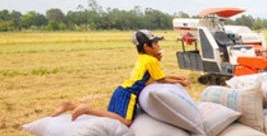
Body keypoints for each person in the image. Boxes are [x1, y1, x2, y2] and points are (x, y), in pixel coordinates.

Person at [52, 29, 190, 126]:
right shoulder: (151, 61)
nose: (159, 46)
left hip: (121, 90)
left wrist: (177, 78)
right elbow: (161, 80)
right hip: (129, 95)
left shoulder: (143, 58)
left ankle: (71, 106)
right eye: (155, 44)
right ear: (146, 46)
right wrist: (180, 83)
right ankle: (85, 109)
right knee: (126, 122)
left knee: (111, 118)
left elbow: (157, 77)